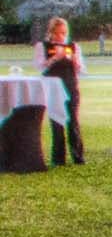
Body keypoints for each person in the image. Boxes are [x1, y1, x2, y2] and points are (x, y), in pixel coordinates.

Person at [39, 16, 83, 166]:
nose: (61, 36)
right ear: (51, 32)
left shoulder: (73, 46)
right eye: (57, 33)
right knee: (56, 121)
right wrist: (55, 58)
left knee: (73, 120)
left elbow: (80, 69)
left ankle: (78, 156)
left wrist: (76, 62)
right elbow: (40, 66)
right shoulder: (44, 46)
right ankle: (58, 158)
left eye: (64, 33)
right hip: (52, 86)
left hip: (70, 85)